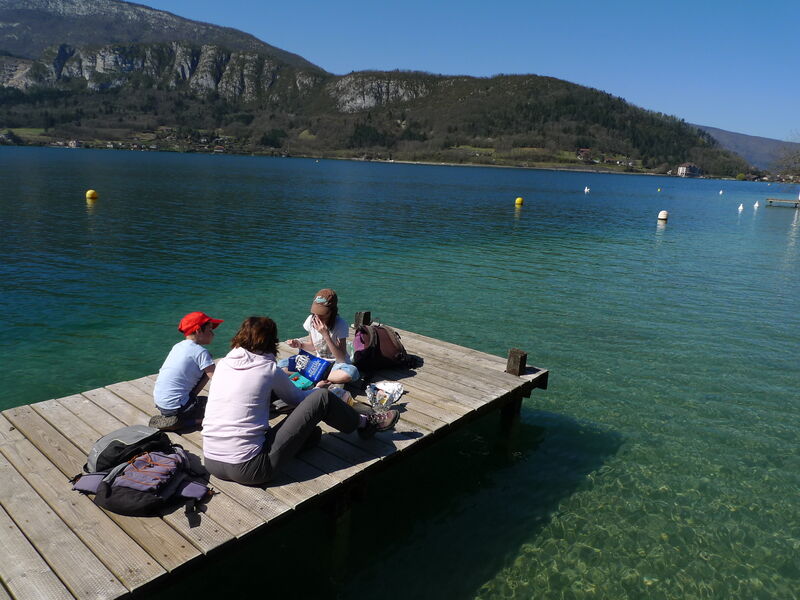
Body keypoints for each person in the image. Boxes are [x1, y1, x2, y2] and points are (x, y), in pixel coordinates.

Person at [202, 316, 399, 486]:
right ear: (271, 342)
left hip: (212, 461)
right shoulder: (267, 369)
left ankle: (307, 439)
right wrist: (317, 389)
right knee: (322, 398)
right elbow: (297, 398)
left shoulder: (224, 364)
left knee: (312, 435)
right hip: (251, 468)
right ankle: (365, 424)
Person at [150, 311, 222, 431]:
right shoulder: (200, 352)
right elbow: (218, 380)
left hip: (162, 403)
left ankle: (176, 417)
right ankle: (189, 422)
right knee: (216, 407)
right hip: (177, 407)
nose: (213, 334)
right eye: (210, 330)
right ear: (198, 330)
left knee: (205, 370)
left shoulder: (177, 346)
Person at [280, 288, 359, 387]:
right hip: (317, 364)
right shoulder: (311, 320)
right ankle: (317, 376)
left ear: (332, 311)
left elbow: (341, 358)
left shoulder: (340, 324)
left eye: (322, 313)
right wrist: (299, 344)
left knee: (351, 372)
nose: (317, 316)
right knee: (281, 364)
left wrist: (325, 335)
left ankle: (312, 376)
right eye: (315, 312)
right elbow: (313, 346)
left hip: (335, 365)